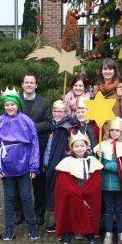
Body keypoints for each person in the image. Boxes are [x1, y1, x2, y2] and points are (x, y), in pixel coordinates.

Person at [0, 87, 40, 241]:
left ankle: (31, 227)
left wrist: (33, 166)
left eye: (12, 104)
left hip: (24, 167)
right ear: (4, 106)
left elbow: (34, 144)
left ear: (18, 105)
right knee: (9, 198)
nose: (10, 107)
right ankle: (9, 230)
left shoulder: (26, 121)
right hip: (6, 169)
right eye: (7, 105)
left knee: (26, 197)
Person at [55, 130, 103, 244]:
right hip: (72, 196)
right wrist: (74, 191)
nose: (79, 149)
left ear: (87, 147)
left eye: (82, 146)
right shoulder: (66, 162)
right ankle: (66, 242)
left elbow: (96, 180)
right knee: (69, 217)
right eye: (76, 146)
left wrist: (88, 190)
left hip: (88, 196)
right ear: (72, 148)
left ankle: (91, 242)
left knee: (89, 217)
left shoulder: (92, 161)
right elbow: (63, 182)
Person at [14, 74, 52, 226]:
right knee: (18, 182)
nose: (29, 85)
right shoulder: (15, 101)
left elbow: (49, 123)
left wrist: (30, 127)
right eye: (26, 82)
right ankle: (19, 213)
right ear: (22, 85)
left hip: (39, 148)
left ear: (36, 85)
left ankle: (39, 214)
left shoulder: (45, 102)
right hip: (18, 150)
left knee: (39, 184)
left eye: (32, 82)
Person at [95, 118, 122, 244]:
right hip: (106, 185)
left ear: (121, 131)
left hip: (120, 185)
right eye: (112, 130)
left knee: (120, 210)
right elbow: (95, 164)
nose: (114, 133)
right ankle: (108, 234)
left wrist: (106, 165)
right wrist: (97, 155)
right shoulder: (102, 144)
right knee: (108, 211)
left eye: (117, 130)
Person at [44, 100, 73, 233]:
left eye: (60, 111)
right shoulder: (52, 126)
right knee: (54, 195)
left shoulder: (66, 127)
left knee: (60, 195)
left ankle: (62, 225)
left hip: (59, 166)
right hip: (49, 163)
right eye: (55, 110)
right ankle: (59, 223)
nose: (56, 113)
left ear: (66, 112)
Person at [94, 58, 122, 128]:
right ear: (101, 71)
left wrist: (121, 132)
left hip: (115, 132)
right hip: (99, 132)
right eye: (105, 69)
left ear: (114, 71)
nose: (107, 71)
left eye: (110, 69)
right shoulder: (97, 90)